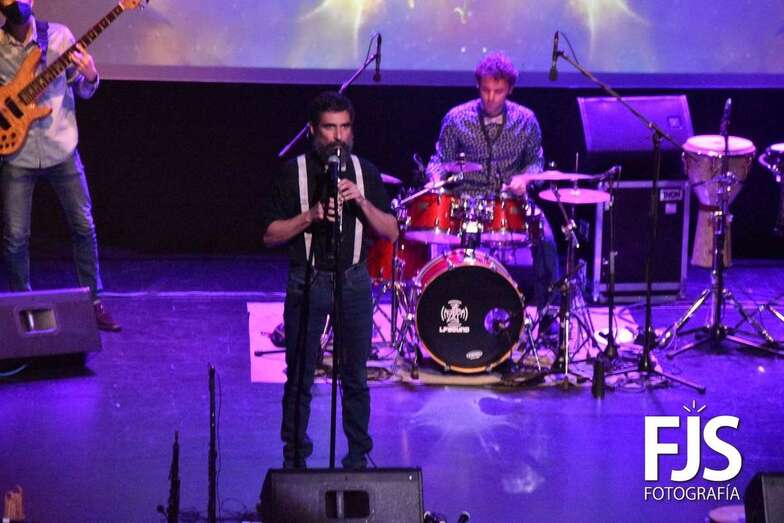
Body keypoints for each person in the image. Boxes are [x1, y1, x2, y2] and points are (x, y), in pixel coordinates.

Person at [261, 92, 398, 469]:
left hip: (353, 281)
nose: (338, 136)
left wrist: (362, 202)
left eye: (345, 127)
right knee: (300, 376)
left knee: (355, 376)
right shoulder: (293, 173)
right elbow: (270, 234)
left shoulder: (365, 171)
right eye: (329, 128)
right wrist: (311, 215)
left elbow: (391, 231)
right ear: (312, 130)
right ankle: (295, 458)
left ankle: (357, 456)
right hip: (308, 281)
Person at [0, 0, 120, 331]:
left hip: (61, 147)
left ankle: (93, 301)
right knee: (15, 238)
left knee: (83, 227)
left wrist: (91, 75)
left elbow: (84, 90)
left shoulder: (59, 37)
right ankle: (22, 311)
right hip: (17, 154)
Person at [426, 50, 560, 310]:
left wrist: (525, 178)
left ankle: (549, 313)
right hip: (466, 201)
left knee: (545, 239)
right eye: (485, 90)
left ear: (510, 89)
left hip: (510, 200)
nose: (490, 97)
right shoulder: (456, 118)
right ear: (478, 86)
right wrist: (434, 177)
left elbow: (536, 163)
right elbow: (439, 160)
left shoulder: (526, 120)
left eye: (498, 91)